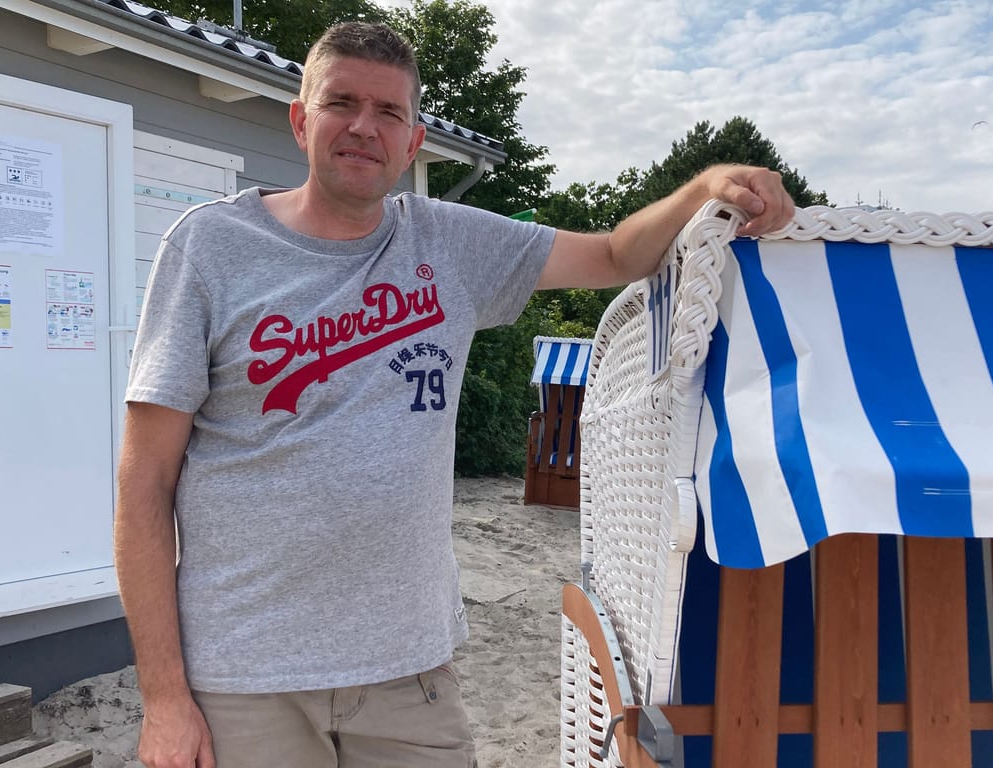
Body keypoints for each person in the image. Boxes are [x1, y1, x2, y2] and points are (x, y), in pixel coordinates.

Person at [115, 21, 794, 768]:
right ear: (300, 119)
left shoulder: (451, 243)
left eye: (390, 113)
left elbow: (612, 254)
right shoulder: (208, 248)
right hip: (244, 681)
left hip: (410, 676)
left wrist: (705, 185)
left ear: (414, 143)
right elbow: (144, 481)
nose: (363, 127)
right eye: (342, 102)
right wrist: (164, 698)